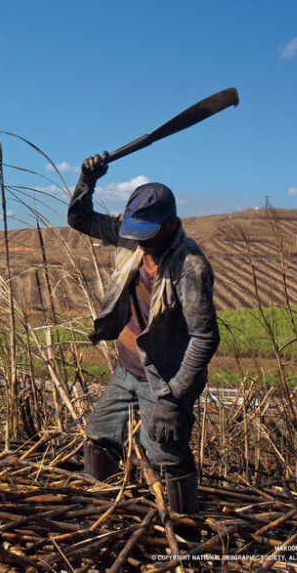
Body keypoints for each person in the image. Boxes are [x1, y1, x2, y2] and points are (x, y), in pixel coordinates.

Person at [67, 152, 219, 515]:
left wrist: (173, 400)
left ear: (170, 225)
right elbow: (80, 218)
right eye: (137, 234)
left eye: (149, 235)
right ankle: (102, 511)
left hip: (166, 380)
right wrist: (87, 180)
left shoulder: (190, 267)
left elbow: (204, 338)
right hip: (126, 368)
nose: (142, 242)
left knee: (167, 452)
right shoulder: (129, 235)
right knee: (100, 435)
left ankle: (185, 531)